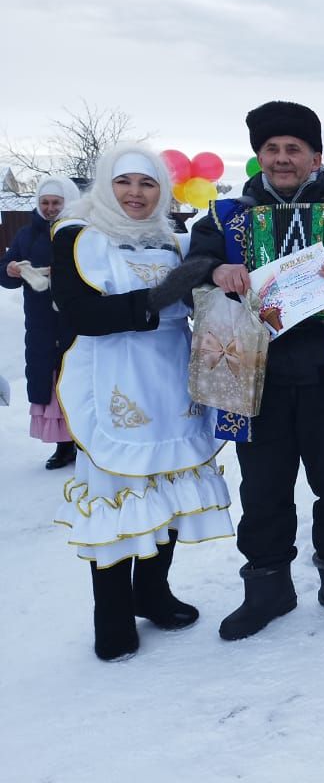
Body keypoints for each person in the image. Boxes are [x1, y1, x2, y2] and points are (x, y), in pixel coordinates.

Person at [188, 101, 324, 640]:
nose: (282, 159)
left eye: (293, 149)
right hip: (256, 382)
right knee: (263, 490)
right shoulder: (223, 217)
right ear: (258, 157)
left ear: (316, 157)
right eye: (271, 149)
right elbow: (192, 273)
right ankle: (268, 587)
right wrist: (217, 268)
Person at [50, 144, 233, 661]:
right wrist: (155, 301)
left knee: (168, 485)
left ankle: (152, 592)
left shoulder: (169, 242)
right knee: (117, 497)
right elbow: (82, 314)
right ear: (105, 185)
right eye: (125, 182)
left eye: (148, 184)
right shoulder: (77, 235)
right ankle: (110, 614)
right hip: (114, 382)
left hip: (169, 377)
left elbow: (195, 302)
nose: (136, 193)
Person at [1, 175, 78, 468]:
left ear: (67, 202)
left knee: (78, 376)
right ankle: (64, 445)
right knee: (50, 378)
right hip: (41, 319)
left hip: (74, 318)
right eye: (44, 202)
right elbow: (3, 273)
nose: (49, 208)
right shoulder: (26, 234)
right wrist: (9, 269)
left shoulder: (82, 230)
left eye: (55, 202)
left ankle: (86, 444)